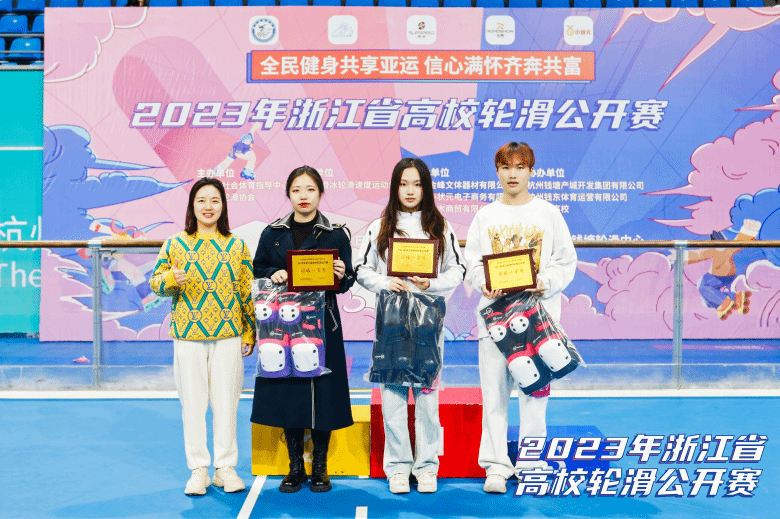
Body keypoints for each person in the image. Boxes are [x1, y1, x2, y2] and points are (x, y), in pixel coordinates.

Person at [464, 142, 576, 494]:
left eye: (520, 167)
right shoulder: (485, 216)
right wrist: (483, 283)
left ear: (531, 171)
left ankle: (531, 463)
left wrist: (545, 281)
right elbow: (472, 263)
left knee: (535, 396)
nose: (512, 174)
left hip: (539, 322)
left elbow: (565, 261)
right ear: (497, 172)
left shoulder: (548, 214)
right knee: (494, 398)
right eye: (506, 167)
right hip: (495, 322)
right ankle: (496, 466)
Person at [354, 158, 466, 494]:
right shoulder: (380, 227)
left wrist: (432, 285)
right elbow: (361, 269)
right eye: (404, 184)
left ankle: (427, 466)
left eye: (417, 184)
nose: (410, 190)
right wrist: (385, 282)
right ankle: (398, 468)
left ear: (426, 188)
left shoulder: (441, 227)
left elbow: (457, 270)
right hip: (392, 324)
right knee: (392, 398)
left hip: (429, 326)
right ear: (395, 188)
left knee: (428, 400)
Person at [251, 166, 356, 493]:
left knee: (324, 394)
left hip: (323, 322)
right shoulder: (272, 233)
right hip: (283, 325)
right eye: (297, 190)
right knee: (289, 391)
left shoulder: (336, 234)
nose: (303, 196)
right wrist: (274, 272)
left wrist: (340, 274)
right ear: (288, 194)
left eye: (310, 189)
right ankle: (295, 466)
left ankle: (320, 467)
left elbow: (348, 280)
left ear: (320, 193)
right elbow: (258, 269)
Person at [149, 177, 256, 496]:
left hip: (229, 335)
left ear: (223, 206)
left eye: (215, 200)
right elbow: (155, 283)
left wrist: (249, 329)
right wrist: (171, 278)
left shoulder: (237, 245)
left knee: (227, 403)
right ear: (192, 206)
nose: (208, 207)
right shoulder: (175, 244)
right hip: (188, 335)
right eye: (201, 200)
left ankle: (225, 468)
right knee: (192, 405)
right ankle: (199, 469)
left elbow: (246, 290)